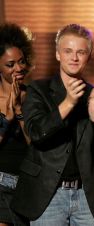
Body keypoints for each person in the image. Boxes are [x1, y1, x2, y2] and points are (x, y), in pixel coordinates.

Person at [11, 24, 94, 226]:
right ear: (58, 54)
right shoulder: (38, 90)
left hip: (87, 195)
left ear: (89, 55)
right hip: (48, 194)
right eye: (68, 51)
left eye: (81, 52)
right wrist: (68, 103)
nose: (74, 58)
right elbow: (36, 133)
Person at [0, 23, 34, 226]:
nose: (18, 68)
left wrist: (20, 111)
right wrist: (8, 118)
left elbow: (35, 144)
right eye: (10, 64)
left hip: (24, 186)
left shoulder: (33, 97)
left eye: (21, 62)